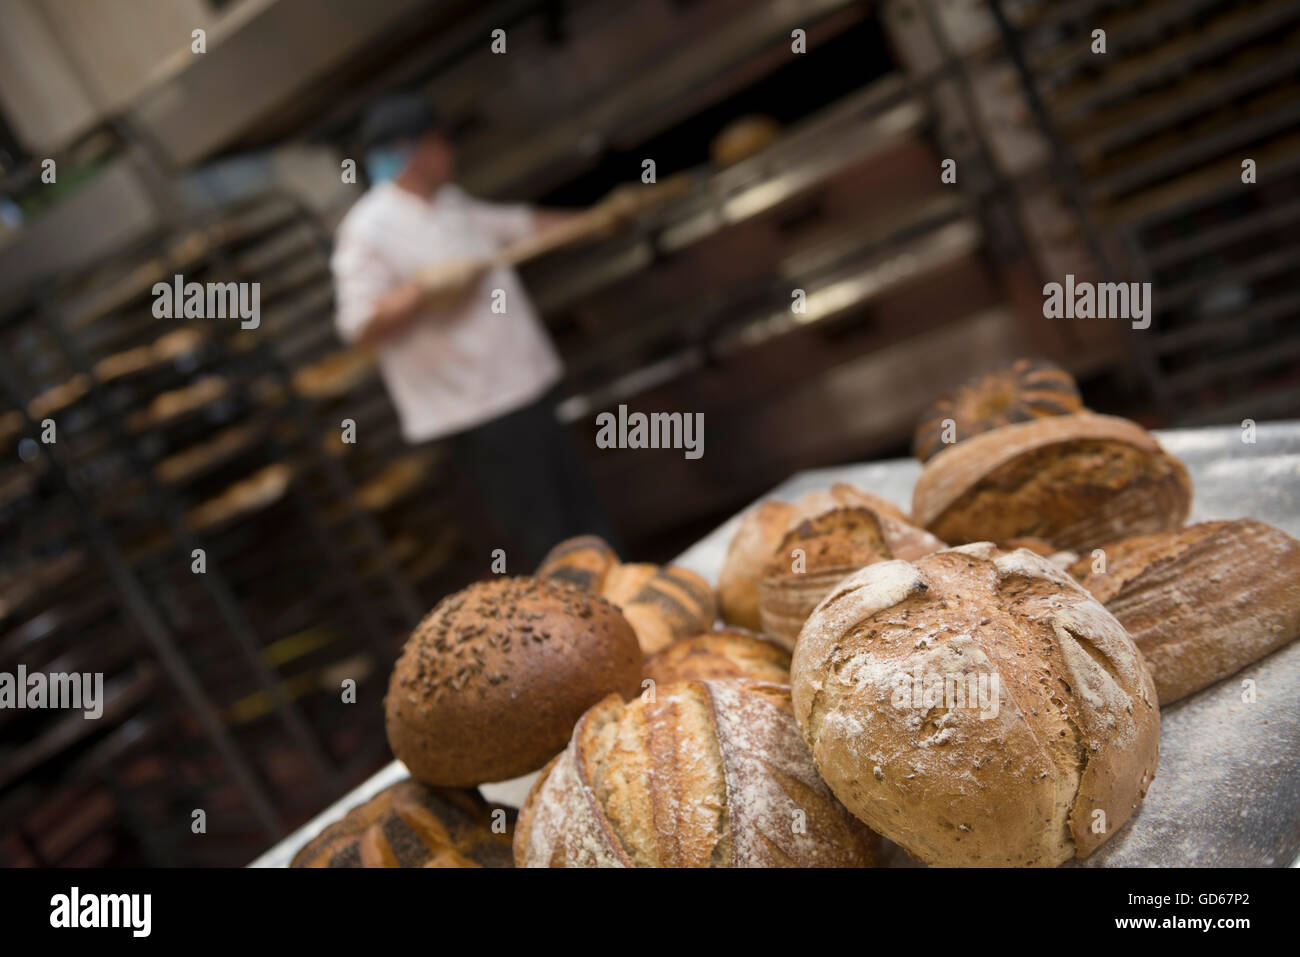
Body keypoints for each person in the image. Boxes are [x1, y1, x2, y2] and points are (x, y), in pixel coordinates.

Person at [331, 92, 623, 566]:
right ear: (415, 150)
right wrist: (422, 291)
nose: (450, 152)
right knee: (552, 542)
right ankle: (590, 633)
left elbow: (520, 226)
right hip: (477, 409)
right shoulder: (367, 228)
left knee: (587, 521)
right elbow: (357, 324)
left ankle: (635, 615)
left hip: (526, 386)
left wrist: (598, 220)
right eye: (441, 142)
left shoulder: (449, 202)